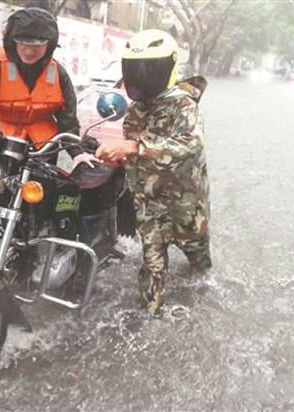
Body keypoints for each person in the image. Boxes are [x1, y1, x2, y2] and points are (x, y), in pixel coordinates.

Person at [95, 29, 212, 317]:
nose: (139, 76)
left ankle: (203, 300)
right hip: (149, 203)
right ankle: (149, 318)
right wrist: (113, 161)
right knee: (152, 268)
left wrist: (133, 147)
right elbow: (133, 156)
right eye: (135, 69)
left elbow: (190, 146)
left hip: (186, 203)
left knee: (199, 263)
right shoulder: (135, 110)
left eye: (147, 69)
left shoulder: (183, 104)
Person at [0, 7, 97, 168]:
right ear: (12, 41)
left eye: (37, 45)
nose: (29, 51)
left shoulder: (58, 73)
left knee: (44, 188)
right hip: (2, 141)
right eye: (23, 43)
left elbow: (67, 119)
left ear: (49, 44)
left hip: (44, 146)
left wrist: (77, 153)